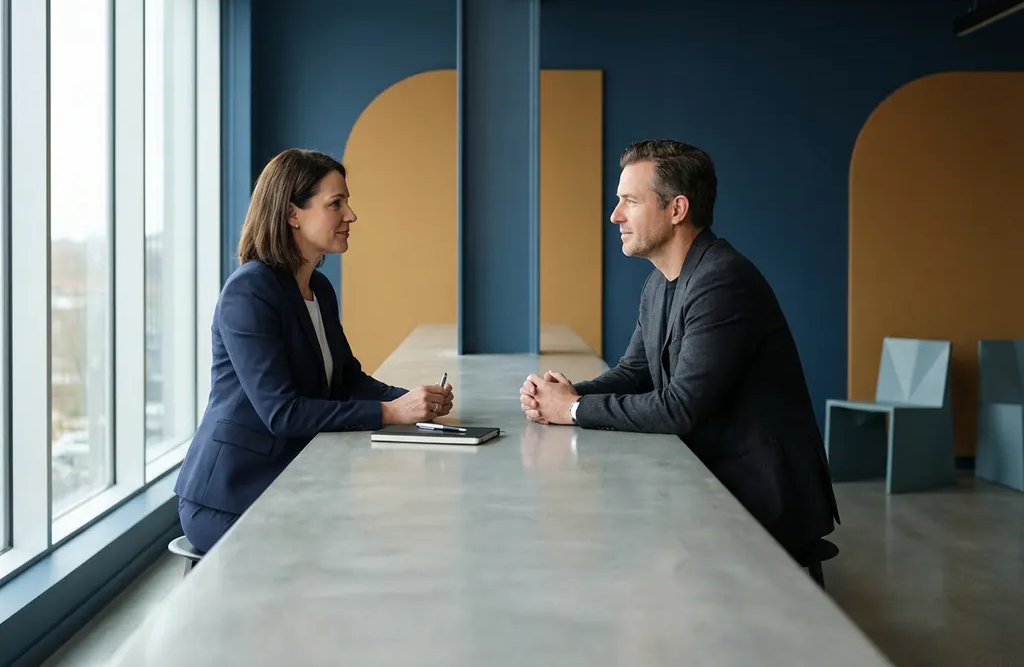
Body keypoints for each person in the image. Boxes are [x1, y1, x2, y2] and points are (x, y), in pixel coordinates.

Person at [519, 139, 839, 559]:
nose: (615, 216)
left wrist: (574, 410)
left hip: (760, 495)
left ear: (677, 210)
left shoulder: (722, 281)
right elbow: (636, 372)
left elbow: (680, 406)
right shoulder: (661, 280)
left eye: (630, 201)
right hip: (715, 482)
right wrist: (562, 397)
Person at [175, 148, 453, 552]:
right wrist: (392, 413)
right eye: (335, 204)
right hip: (230, 497)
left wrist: (414, 400)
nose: (350, 215)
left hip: (290, 480)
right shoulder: (248, 291)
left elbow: (346, 380)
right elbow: (281, 412)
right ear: (293, 214)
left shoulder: (317, 289)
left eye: (347, 202)